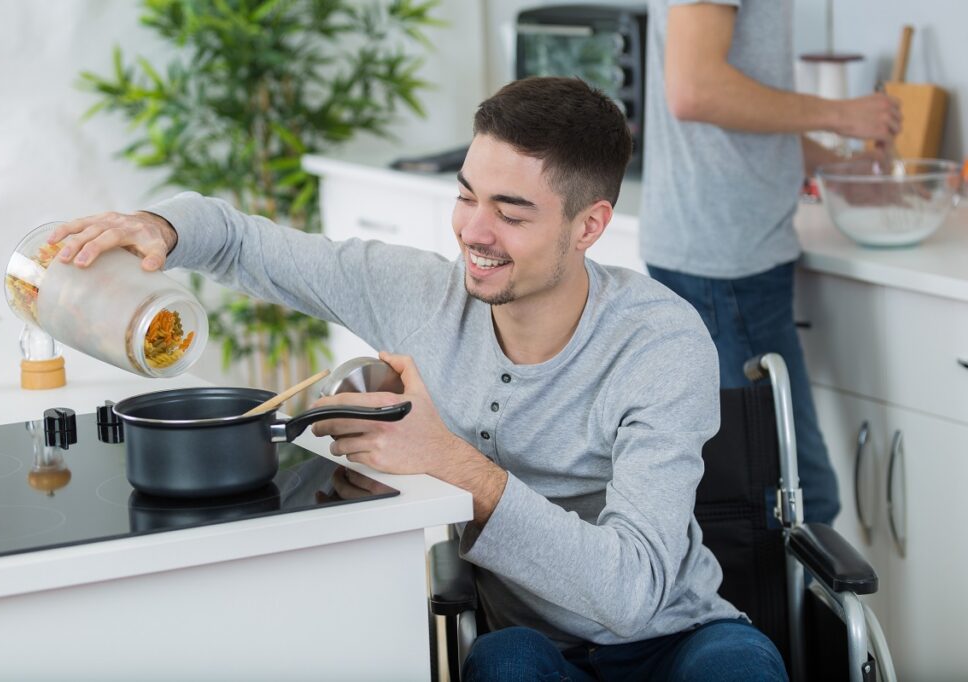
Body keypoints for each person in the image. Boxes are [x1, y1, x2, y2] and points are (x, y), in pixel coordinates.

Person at [50, 77, 786, 680]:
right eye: (467, 195)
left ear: (589, 226)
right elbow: (241, 238)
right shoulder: (419, 295)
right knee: (504, 667)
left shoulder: (659, 340)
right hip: (530, 646)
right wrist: (159, 227)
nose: (473, 231)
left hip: (680, 637)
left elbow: (631, 595)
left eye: (511, 212)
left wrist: (450, 462)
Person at [641, 0, 902, 526]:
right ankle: (756, 615)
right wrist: (840, 113)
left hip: (724, 256)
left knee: (766, 498)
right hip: (726, 264)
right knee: (791, 504)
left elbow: (735, 112)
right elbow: (696, 91)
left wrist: (840, 167)